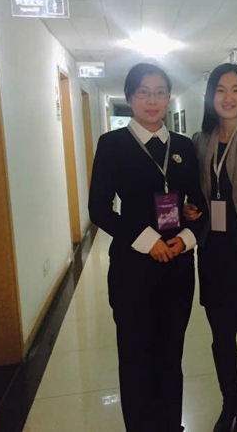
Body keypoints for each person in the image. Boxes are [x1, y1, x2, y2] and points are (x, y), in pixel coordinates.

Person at [89, 63, 204, 432]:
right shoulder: (112, 145)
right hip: (132, 268)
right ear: (130, 98)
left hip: (177, 267)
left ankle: (171, 425)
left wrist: (186, 238)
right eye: (144, 92)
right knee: (136, 357)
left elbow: (198, 203)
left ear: (169, 97)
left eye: (160, 92)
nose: (152, 101)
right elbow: (98, 209)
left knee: (171, 355)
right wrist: (147, 240)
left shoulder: (183, 146)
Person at [184, 63, 237, 432]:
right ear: (210, 96)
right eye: (220, 89)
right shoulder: (201, 141)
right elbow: (196, 195)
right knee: (220, 337)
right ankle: (229, 399)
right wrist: (190, 209)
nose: (228, 97)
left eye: (236, 89)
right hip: (213, 253)